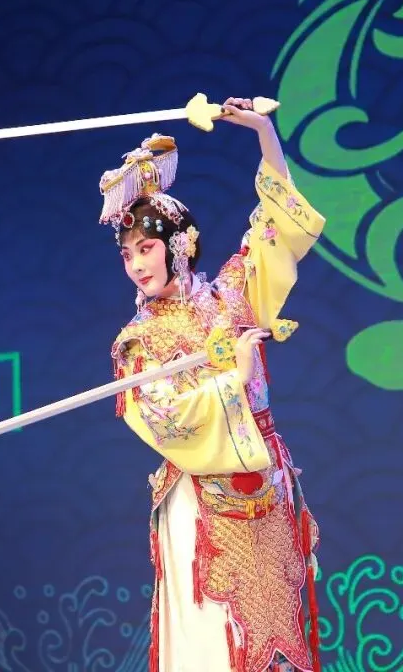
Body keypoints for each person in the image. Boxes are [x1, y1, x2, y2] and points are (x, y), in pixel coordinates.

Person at [101, 98, 327, 672]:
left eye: (146, 248)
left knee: (280, 641)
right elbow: (160, 417)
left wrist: (263, 131)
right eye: (127, 254)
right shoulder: (138, 341)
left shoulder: (232, 292)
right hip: (202, 503)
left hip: (267, 487)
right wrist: (236, 380)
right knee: (215, 643)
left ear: (179, 244)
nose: (136, 265)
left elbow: (275, 223)